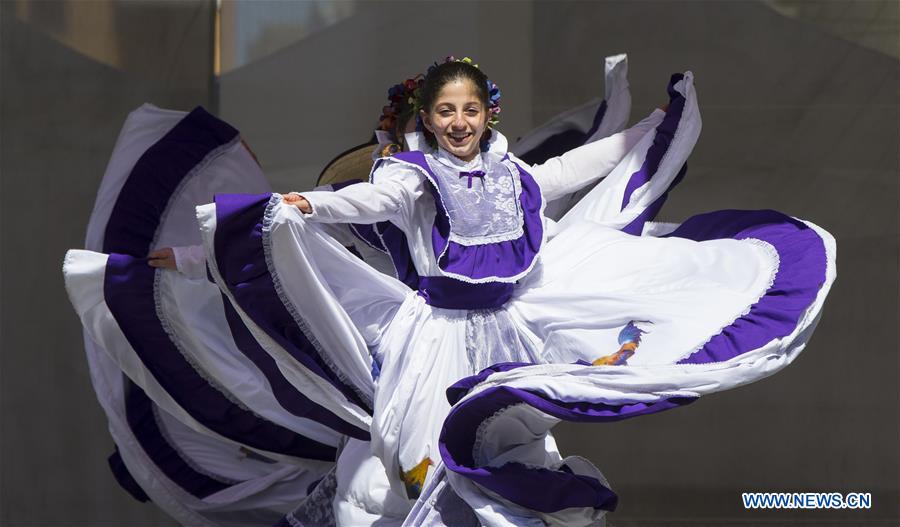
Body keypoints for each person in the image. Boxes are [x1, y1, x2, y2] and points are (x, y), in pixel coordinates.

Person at [64, 57, 835, 527]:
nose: (451, 127)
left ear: (479, 117)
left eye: (465, 112)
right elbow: (310, 237)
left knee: (507, 455)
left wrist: (642, 136)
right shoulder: (393, 182)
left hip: (496, 335)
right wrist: (192, 252)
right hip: (391, 351)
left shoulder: (504, 177)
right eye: (436, 117)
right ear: (420, 129)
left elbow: (567, 173)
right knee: (388, 484)